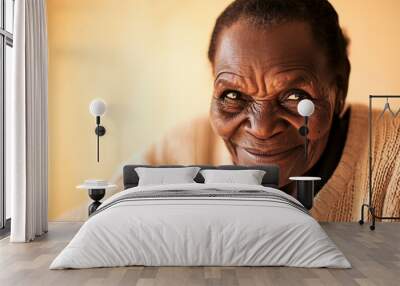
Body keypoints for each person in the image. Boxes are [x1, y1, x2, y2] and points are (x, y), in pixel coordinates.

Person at [130, 0, 400, 222]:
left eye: (295, 96)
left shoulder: (392, 158)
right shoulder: (186, 147)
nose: (262, 128)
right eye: (233, 95)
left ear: (339, 91)